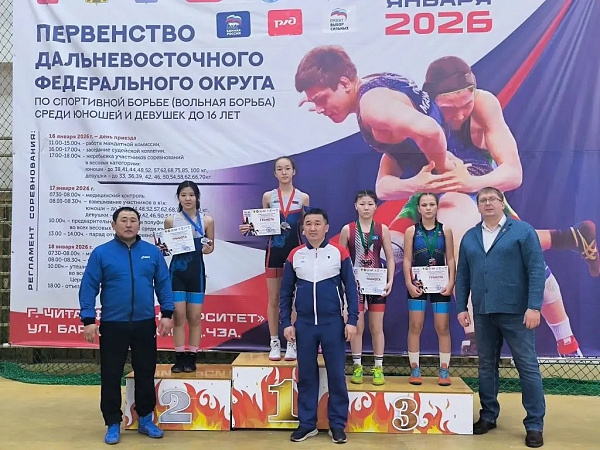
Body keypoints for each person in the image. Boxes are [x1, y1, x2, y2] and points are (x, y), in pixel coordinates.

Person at [418, 55, 597, 356]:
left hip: (475, 182)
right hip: (433, 187)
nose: (459, 114)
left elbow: (514, 173)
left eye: (465, 104)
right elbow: (385, 177)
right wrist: (409, 184)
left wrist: (470, 183)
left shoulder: (484, 103)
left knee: (514, 255)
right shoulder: (417, 114)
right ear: (433, 101)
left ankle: (564, 343)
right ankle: (569, 238)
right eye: (450, 108)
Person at [455, 187, 546, 449]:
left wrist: (534, 307)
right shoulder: (470, 236)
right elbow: (463, 275)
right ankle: (488, 416)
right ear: (478, 206)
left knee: (527, 366)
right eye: (482, 200)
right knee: (486, 366)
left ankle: (534, 425)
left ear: (502, 202)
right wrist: (462, 307)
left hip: (517, 313)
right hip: (483, 313)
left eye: (492, 199)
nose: (488, 203)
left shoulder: (523, 231)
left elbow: (536, 270)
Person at [79, 207, 174, 445]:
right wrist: (88, 320)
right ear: (113, 225)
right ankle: (113, 422)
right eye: (123, 220)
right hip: (113, 324)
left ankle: (145, 419)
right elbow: (89, 287)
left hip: (144, 323)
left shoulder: (152, 253)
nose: (128, 224)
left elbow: (164, 284)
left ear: (139, 225)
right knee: (111, 375)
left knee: (145, 372)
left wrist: (167, 313)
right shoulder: (101, 253)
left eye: (133, 220)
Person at [280, 208, 358, 444]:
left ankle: (337, 425)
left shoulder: (339, 252)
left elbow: (351, 289)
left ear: (326, 227)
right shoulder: (295, 255)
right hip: (304, 325)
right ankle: (307, 424)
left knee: (336, 375)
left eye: (317, 223)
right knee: (306, 375)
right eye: (308, 224)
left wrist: (352, 321)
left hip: (332, 323)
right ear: (303, 228)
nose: (313, 228)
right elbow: (285, 293)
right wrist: (286, 323)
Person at [239, 156, 310, 361]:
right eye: (280, 169)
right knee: (274, 298)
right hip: (273, 252)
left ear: (294, 171)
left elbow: (307, 225)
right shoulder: (268, 197)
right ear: (275, 173)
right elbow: (262, 224)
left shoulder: (303, 197)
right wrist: (249, 227)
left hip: (296, 253)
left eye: (287, 168)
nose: (284, 172)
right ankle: (274, 342)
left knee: (294, 299)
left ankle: (292, 343)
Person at [339, 190, 394, 386]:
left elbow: (390, 257)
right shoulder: (348, 229)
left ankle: (378, 368)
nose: (366, 208)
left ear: (376, 206)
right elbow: (341, 260)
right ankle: (357, 366)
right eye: (362, 204)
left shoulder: (382, 229)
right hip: (355, 286)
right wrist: (344, 284)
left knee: (376, 327)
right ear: (356, 206)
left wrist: (390, 280)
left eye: (370, 204)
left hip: (377, 285)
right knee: (358, 326)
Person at [403, 193, 455, 386]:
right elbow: (407, 259)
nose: (428, 208)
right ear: (418, 208)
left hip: (440, 286)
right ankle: (415, 369)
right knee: (415, 326)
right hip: (417, 285)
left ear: (437, 207)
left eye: (431, 204)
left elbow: (451, 258)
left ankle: (444, 370)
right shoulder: (411, 231)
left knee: (442, 327)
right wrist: (409, 283)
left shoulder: (445, 230)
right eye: (424, 205)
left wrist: (451, 282)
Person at [165, 181, 215, 373]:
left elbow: (210, 247)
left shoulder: (207, 221)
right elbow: (167, 247)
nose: (187, 198)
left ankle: (192, 357)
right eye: (183, 195)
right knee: (178, 317)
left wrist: (208, 249)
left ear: (197, 197)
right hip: (176, 274)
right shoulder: (171, 220)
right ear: (178, 198)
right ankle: (179, 357)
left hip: (196, 274)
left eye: (191, 195)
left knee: (194, 317)